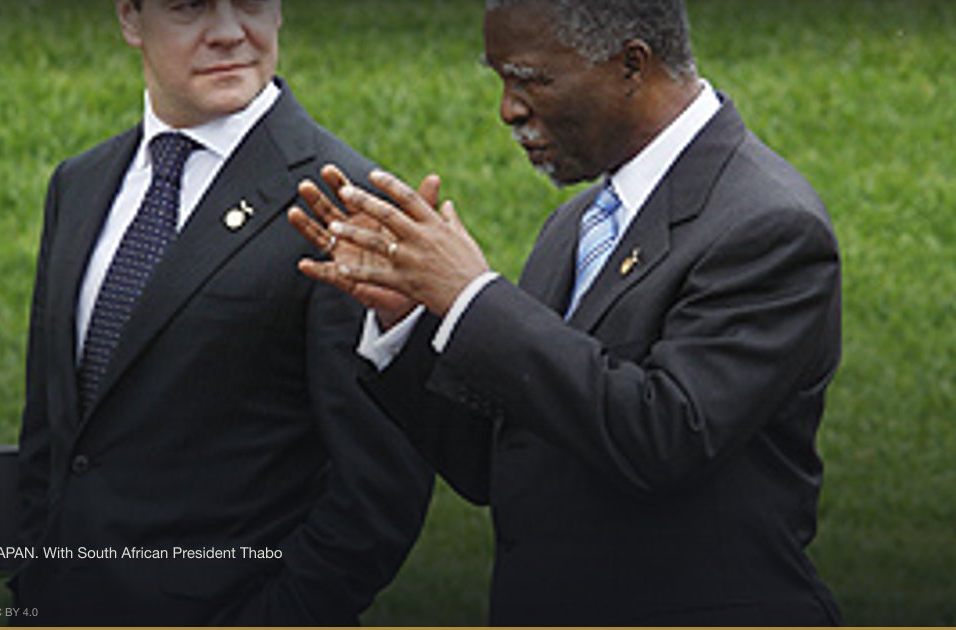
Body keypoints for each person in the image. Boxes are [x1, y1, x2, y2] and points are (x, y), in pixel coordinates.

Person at [288, 0, 843, 624]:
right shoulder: (577, 225)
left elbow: (664, 436)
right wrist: (409, 321)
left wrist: (472, 299)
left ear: (632, 65)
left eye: (529, 78)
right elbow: (507, 460)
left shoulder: (767, 225)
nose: (508, 109)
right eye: (500, 79)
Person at [12, 0, 432, 625]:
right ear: (130, 19)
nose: (231, 32)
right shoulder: (79, 185)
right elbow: (52, 428)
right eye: (190, 8)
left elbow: (380, 486)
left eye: (252, 4)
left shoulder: (343, 203)